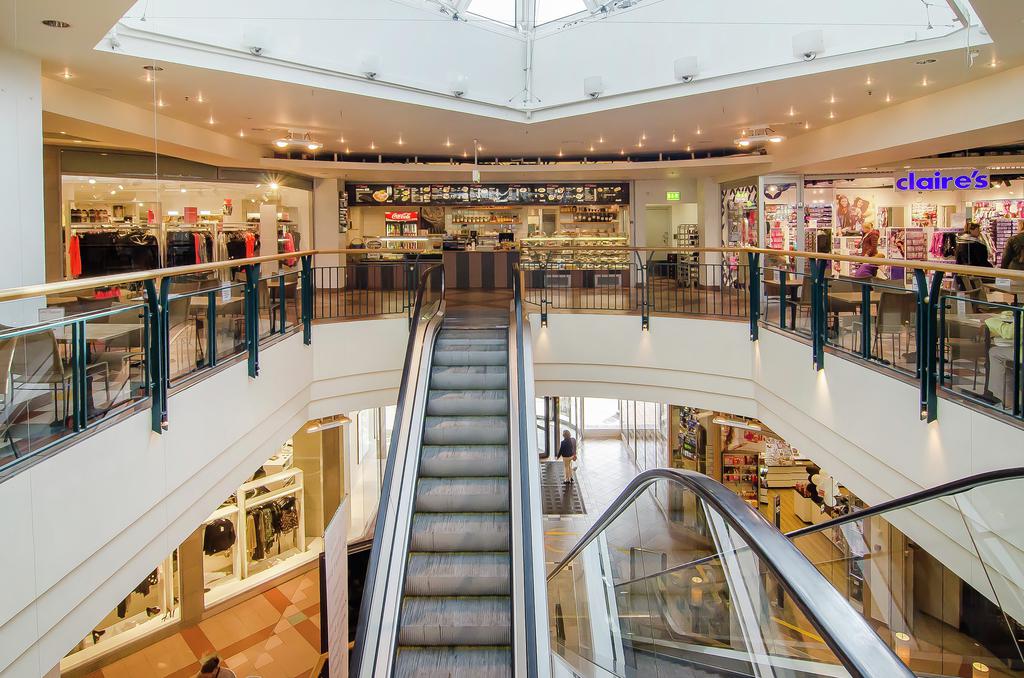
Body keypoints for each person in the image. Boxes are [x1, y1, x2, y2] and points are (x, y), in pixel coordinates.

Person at [954, 221, 993, 291]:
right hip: (976, 275)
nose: (979, 232)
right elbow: (982, 261)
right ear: (971, 230)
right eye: (977, 230)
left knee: (965, 291)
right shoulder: (978, 245)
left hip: (963, 273)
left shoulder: (960, 242)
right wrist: (991, 269)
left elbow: (958, 259)